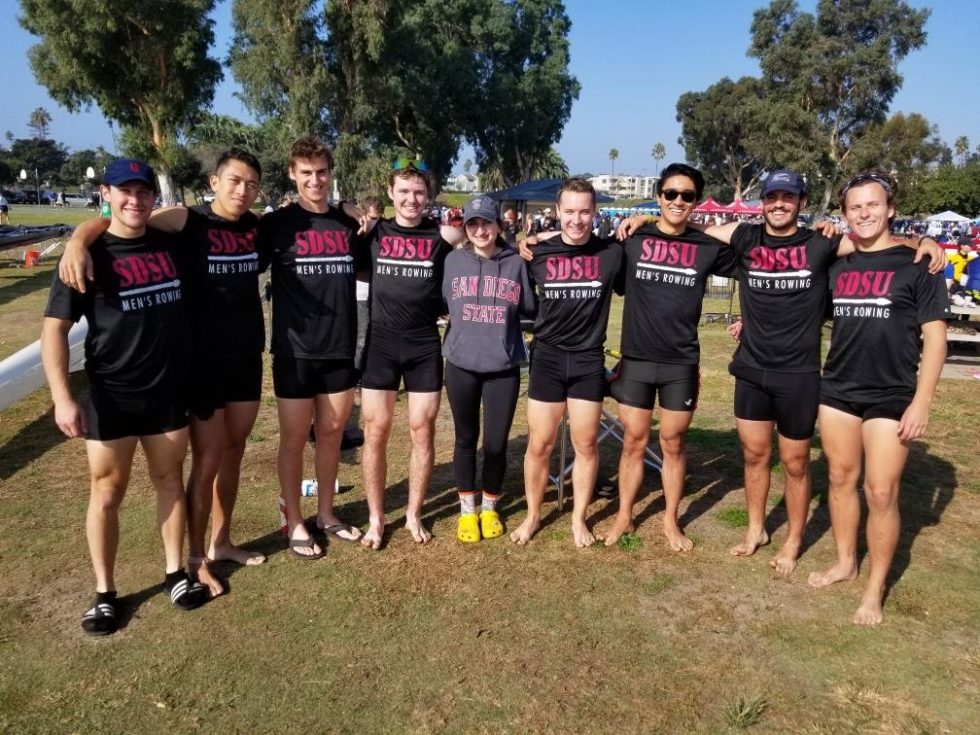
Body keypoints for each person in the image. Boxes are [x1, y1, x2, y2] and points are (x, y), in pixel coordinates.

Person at [617, 169, 945, 575]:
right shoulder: (744, 237)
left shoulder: (821, 242)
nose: (778, 204)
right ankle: (755, 529)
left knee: (795, 463)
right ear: (761, 201)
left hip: (800, 373)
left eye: (788, 198)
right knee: (755, 456)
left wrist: (924, 241)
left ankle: (792, 540)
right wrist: (647, 220)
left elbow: (875, 241)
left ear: (802, 203)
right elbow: (687, 223)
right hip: (751, 368)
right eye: (771, 196)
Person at [58, 149, 270, 596]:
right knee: (207, 459)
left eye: (251, 184)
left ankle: (222, 542)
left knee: (235, 450)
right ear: (214, 182)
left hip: (247, 359)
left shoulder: (255, 227)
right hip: (199, 365)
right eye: (234, 181)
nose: (242, 190)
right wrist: (78, 239)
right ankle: (195, 560)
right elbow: (123, 221)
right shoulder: (184, 222)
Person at [41, 159, 207, 636]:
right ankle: (105, 593)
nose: (134, 200)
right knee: (107, 492)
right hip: (112, 395)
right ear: (106, 194)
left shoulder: (169, 242)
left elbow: (185, 214)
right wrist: (61, 398)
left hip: (168, 393)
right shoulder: (86, 257)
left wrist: (80, 232)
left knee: (169, 482)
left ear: (153, 197)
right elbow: (53, 332)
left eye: (143, 192)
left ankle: (175, 574)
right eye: (124, 191)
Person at [807, 171, 948, 626]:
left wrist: (921, 402)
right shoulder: (837, 267)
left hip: (891, 393)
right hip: (838, 389)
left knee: (881, 491)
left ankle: (875, 588)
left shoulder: (918, 266)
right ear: (844, 213)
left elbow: (937, 339)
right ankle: (847, 562)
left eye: (873, 205)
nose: (864, 213)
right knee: (841, 479)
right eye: (855, 207)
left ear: (890, 209)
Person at [603, 164, 739, 548]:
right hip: (637, 359)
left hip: (681, 362)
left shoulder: (706, 247)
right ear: (659, 196)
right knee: (633, 440)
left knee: (674, 442)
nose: (679, 201)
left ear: (696, 201)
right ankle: (624, 517)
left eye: (687, 195)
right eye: (671, 194)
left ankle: (670, 522)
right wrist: (642, 218)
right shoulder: (632, 239)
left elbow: (753, 258)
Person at [260, 136, 368, 559]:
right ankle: (294, 520)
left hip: (339, 348)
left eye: (321, 172)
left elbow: (371, 266)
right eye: (306, 173)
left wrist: (361, 215)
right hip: (293, 351)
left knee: (331, 435)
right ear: (292, 174)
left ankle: (326, 514)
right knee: (291, 440)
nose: (315, 180)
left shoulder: (347, 224)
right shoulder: (275, 226)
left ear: (330, 172)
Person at [511, 178, 623, 547]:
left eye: (585, 211)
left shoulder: (611, 253)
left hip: (589, 359)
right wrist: (524, 241)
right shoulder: (537, 253)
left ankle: (579, 519)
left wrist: (643, 222)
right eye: (570, 211)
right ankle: (532, 516)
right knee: (539, 445)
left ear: (595, 212)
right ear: (557, 211)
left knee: (587, 444)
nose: (577, 219)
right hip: (548, 357)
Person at [358, 158, 463, 549]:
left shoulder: (444, 237)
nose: (411, 199)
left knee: (422, 430)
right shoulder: (374, 233)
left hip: (422, 344)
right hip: (381, 343)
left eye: (419, 192)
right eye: (403, 191)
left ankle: (414, 514)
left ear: (428, 196)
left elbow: (487, 237)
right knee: (376, 431)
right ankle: (375, 518)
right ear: (390, 193)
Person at [442, 195, 536, 542]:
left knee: (496, 443)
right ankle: (467, 512)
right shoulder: (452, 261)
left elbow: (530, 307)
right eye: (473, 224)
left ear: (499, 225)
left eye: (487, 223)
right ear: (465, 228)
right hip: (461, 363)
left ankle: (490, 507)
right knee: (466, 439)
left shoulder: (516, 262)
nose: (481, 230)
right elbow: (440, 300)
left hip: (502, 365)